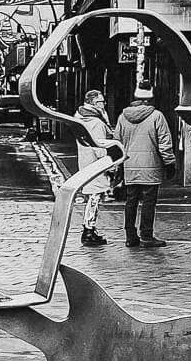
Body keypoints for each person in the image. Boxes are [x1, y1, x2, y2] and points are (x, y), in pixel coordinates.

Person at [114, 80, 176, 247]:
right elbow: (164, 143)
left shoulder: (122, 117)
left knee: (131, 200)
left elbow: (116, 143)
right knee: (149, 201)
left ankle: (130, 236)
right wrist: (169, 163)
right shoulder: (157, 116)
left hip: (129, 165)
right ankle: (147, 235)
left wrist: (118, 165)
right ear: (150, 98)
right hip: (151, 166)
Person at [74, 86, 117, 247]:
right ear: (93, 103)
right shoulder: (96, 123)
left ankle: (89, 229)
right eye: (101, 102)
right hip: (97, 164)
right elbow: (101, 148)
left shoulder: (80, 118)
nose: (104, 105)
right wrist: (110, 166)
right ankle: (89, 230)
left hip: (85, 161)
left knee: (93, 196)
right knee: (95, 197)